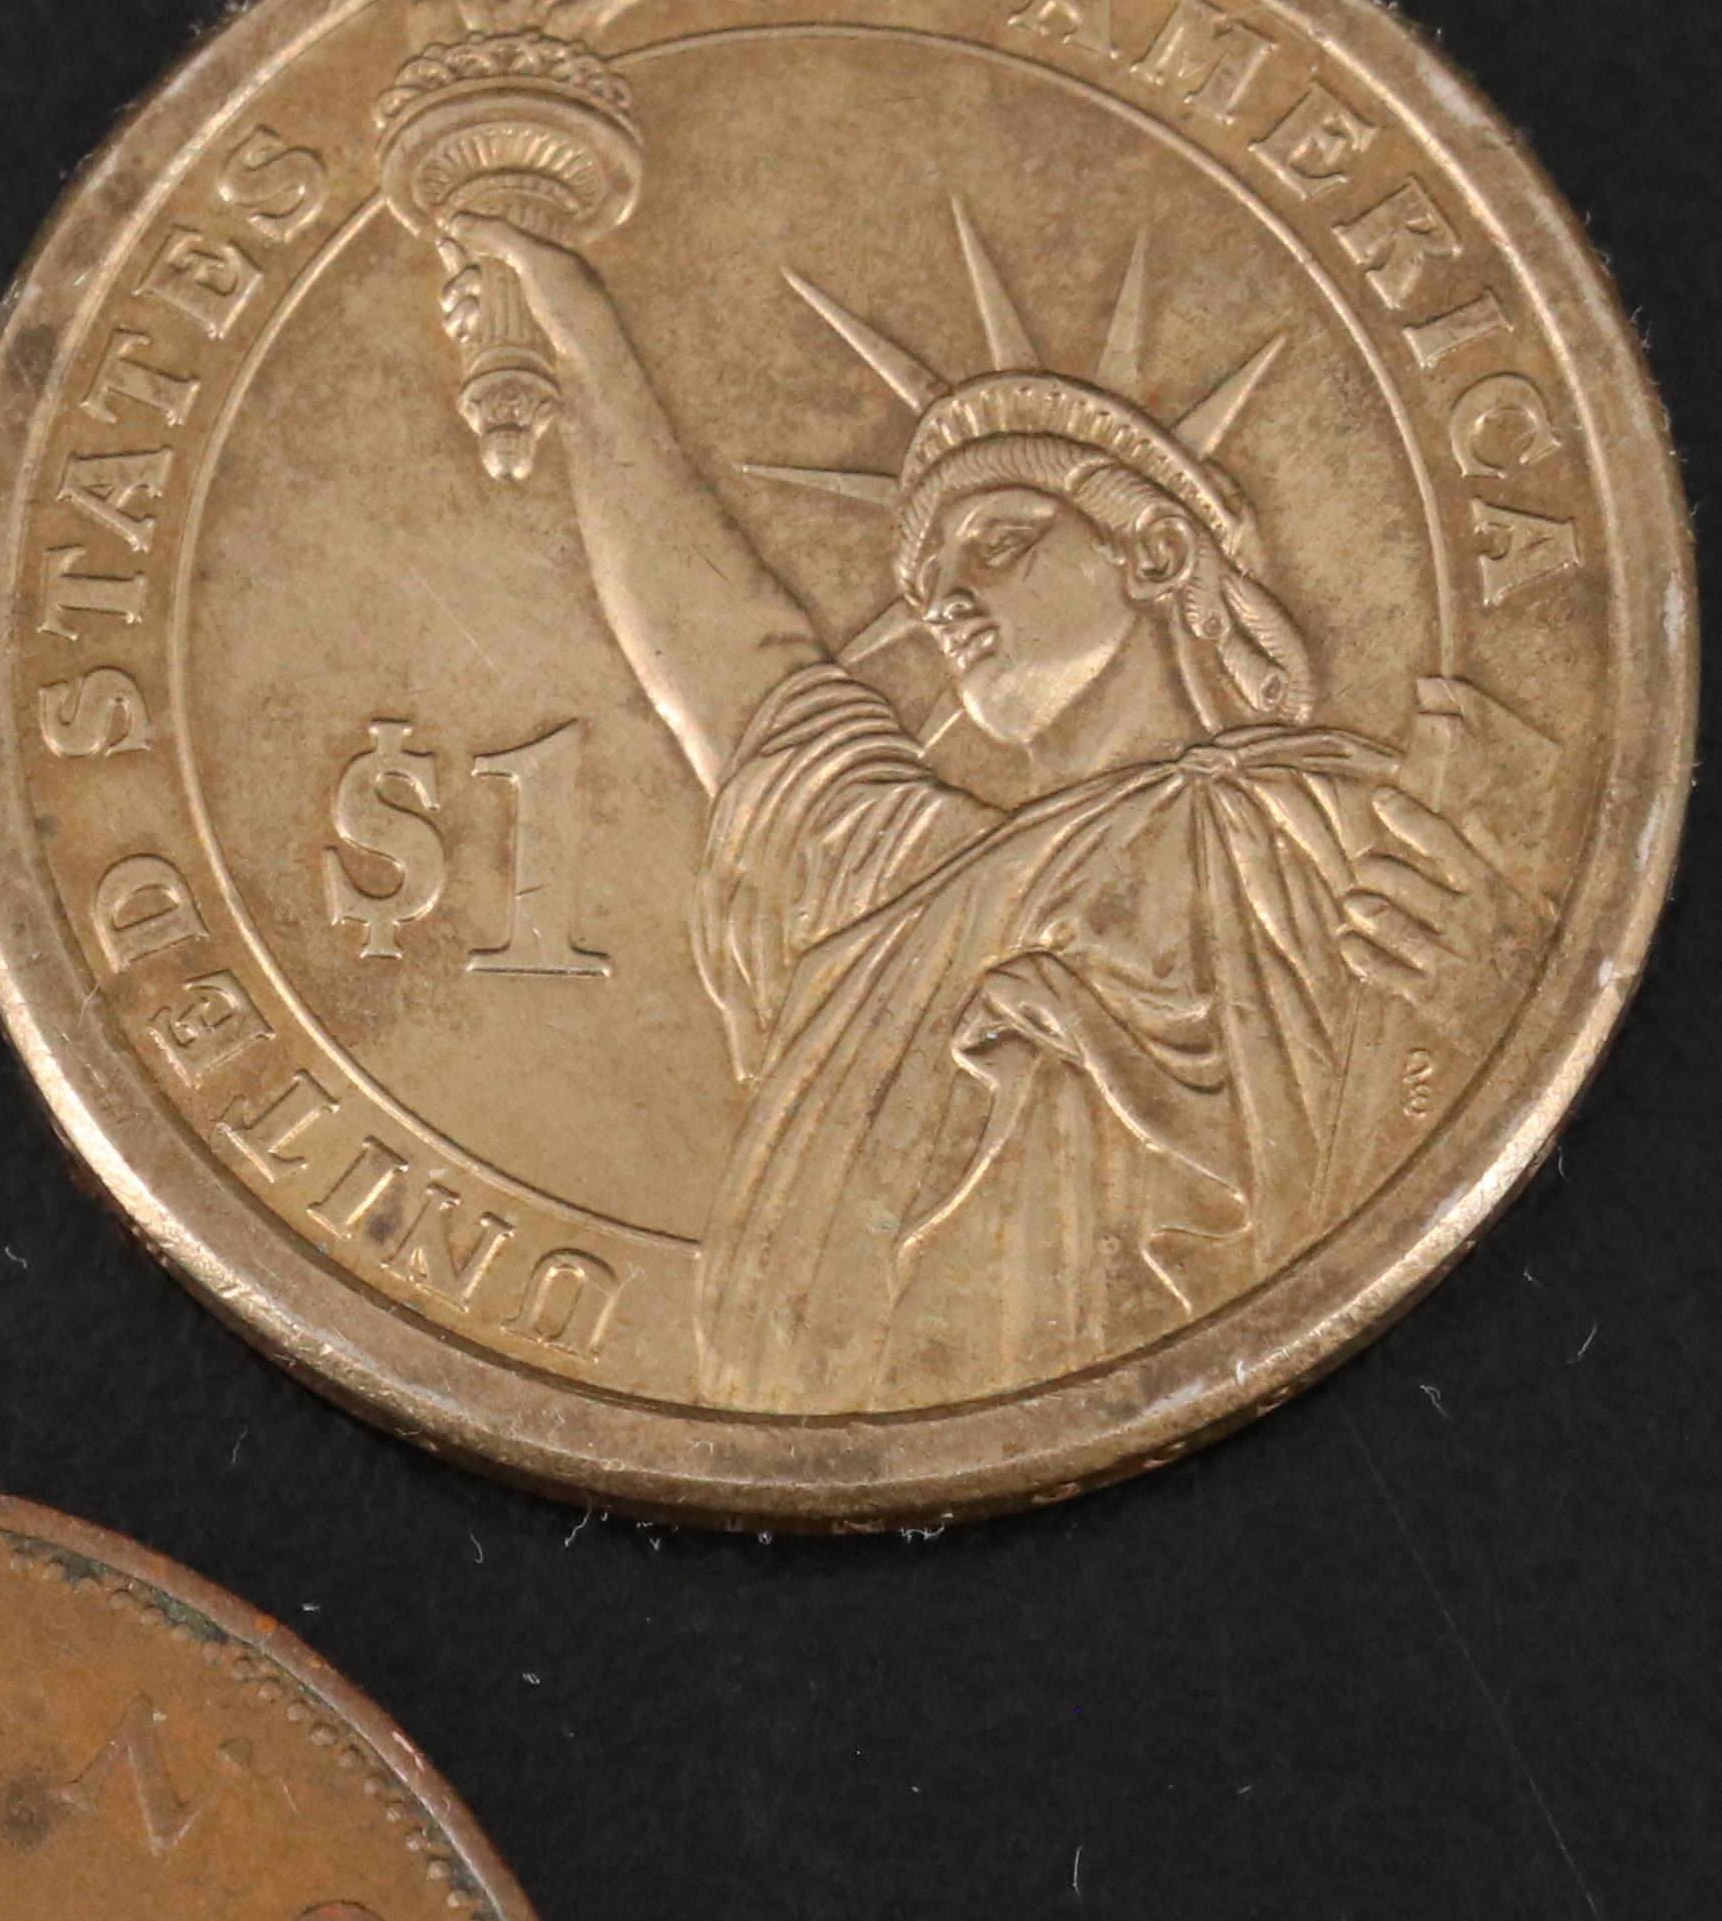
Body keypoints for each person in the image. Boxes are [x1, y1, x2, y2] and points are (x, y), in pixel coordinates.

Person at [443, 207, 1489, 1412]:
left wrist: (1469, 987)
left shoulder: (1312, 825)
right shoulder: (919, 884)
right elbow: (734, 671)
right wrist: (588, 358)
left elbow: (1399, 1099)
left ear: (1149, 556)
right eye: (926, 583)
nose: (943, 601)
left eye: (995, 543)